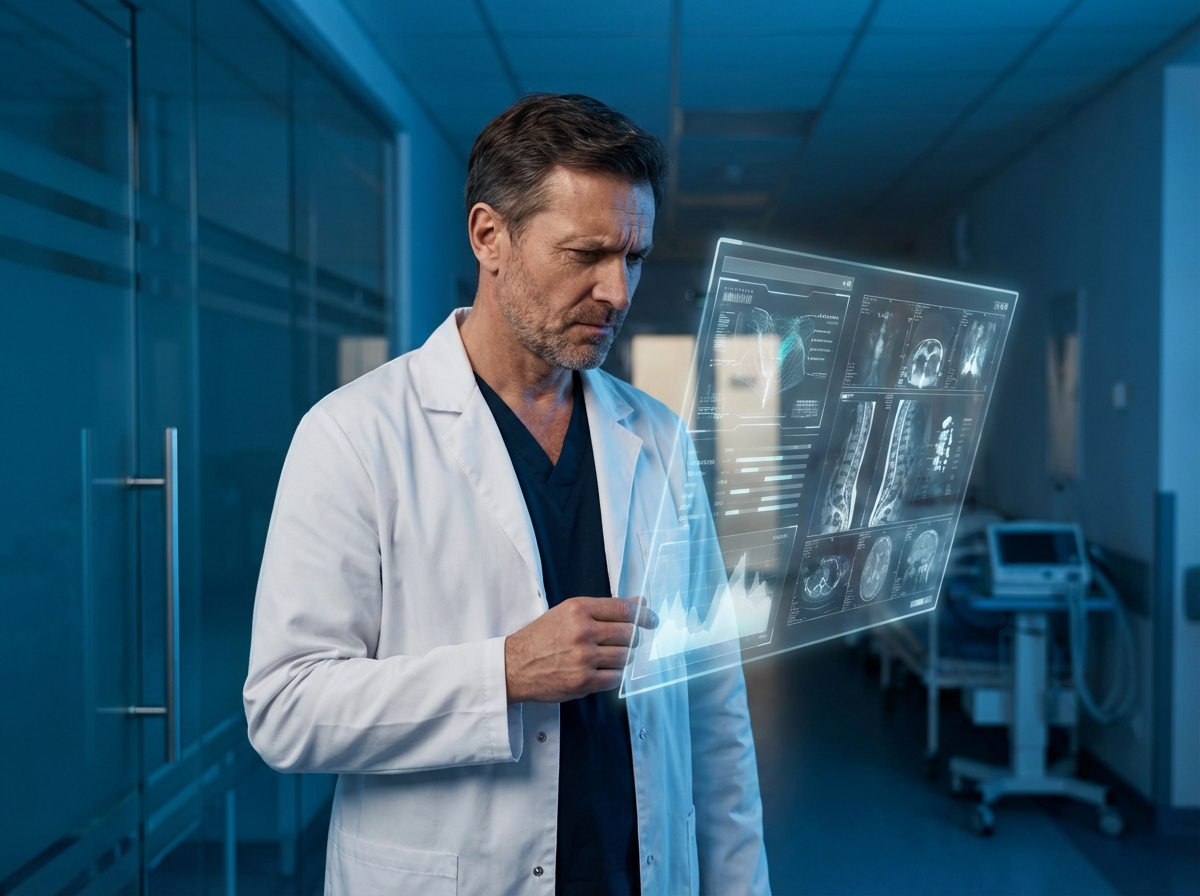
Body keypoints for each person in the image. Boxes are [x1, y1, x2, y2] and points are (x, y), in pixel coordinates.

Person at [244, 93, 769, 896]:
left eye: (633, 258)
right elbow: (286, 708)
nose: (618, 292)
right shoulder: (355, 434)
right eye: (586, 254)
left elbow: (715, 715)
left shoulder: (656, 438)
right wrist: (506, 674)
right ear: (491, 236)